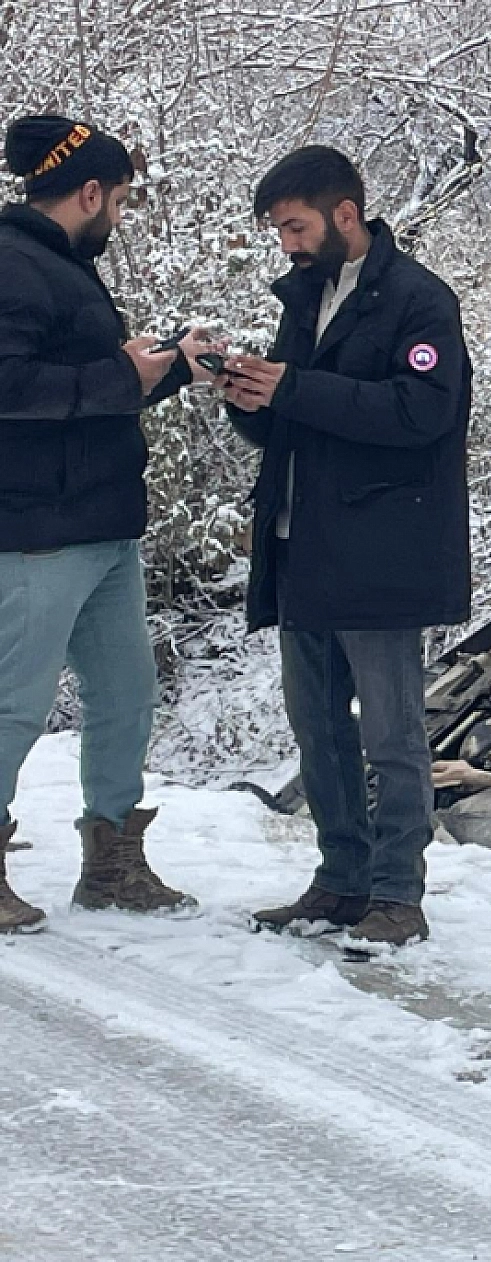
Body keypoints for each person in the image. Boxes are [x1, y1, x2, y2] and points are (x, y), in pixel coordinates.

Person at [225, 146, 471, 952]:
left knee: (392, 733)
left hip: (381, 550)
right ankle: (340, 880)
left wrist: (293, 388)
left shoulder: (420, 300)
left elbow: (420, 413)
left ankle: (399, 893)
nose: (286, 245)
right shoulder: (308, 296)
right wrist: (249, 395)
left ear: (344, 213)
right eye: (278, 232)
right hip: (302, 545)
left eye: (294, 226)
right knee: (316, 725)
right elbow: (294, 412)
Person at [0, 114, 219, 933]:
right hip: (34, 530)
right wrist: (118, 371)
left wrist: (167, 372)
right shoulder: (13, 267)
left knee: (128, 696)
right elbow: (12, 386)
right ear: (89, 192)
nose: (121, 217)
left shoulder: (64, 266)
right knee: (13, 705)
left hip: (103, 526)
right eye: (120, 201)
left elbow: (89, 391)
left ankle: (113, 864)